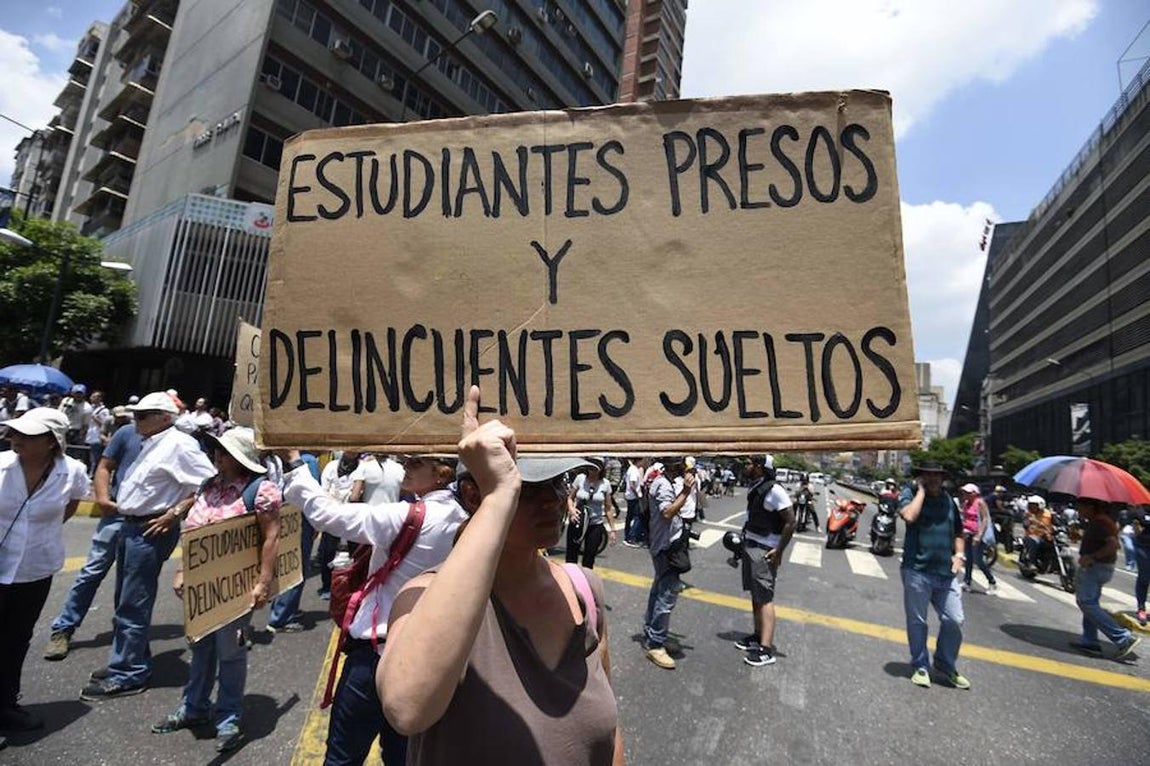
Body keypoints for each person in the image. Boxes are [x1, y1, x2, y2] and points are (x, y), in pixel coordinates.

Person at [378, 386, 622, 765]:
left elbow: (610, 733)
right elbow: (406, 708)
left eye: (559, 482)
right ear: (473, 496)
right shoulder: (424, 596)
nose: (553, 499)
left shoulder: (583, 589)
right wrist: (501, 494)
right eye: (531, 487)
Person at [279, 449, 466, 766]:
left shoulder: (406, 516)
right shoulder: (466, 519)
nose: (405, 466)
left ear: (441, 474)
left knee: (342, 758)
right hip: (425, 660)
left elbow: (328, 515)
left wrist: (296, 464)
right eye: (406, 461)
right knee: (403, 757)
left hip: (376, 655)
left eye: (416, 462)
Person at [150, 427, 281, 752]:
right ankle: (193, 707)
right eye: (217, 450)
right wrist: (183, 570)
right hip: (203, 588)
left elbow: (271, 537)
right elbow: (195, 534)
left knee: (230, 653)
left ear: (240, 458)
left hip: (236, 589)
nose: (217, 456)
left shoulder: (260, 491)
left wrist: (263, 583)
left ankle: (228, 717)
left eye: (224, 452)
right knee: (200, 648)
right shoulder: (208, 485)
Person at [80, 392, 216, 701]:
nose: (135, 420)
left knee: (133, 602)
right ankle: (128, 658)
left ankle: (129, 672)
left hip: (148, 529)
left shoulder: (180, 445)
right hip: (132, 526)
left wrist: (174, 512)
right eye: (135, 415)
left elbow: (209, 482)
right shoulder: (152, 442)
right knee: (125, 599)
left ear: (164, 418)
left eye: (142, 415)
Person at [0, 409, 89, 732]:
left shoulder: (73, 471)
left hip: (35, 569)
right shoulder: (1, 465)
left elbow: (72, 504)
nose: (15, 438)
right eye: (14, 432)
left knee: (16, 639)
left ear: (52, 442)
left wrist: (42, 533)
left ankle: (5, 704)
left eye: (26, 434)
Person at [44, 409, 144, 660]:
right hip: (116, 514)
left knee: (130, 583)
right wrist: (102, 497)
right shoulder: (127, 433)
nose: (141, 419)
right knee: (91, 572)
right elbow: (104, 466)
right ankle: (63, 628)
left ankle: (125, 641)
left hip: (145, 521)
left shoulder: (175, 441)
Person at [898, 462, 969, 689]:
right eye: (927, 475)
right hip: (917, 570)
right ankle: (920, 664)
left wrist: (959, 555)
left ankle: (945, 664)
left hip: (946, 573)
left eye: (936, 475)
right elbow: (909, 516)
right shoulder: (909, 494)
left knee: (954, 619)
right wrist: (920, 491)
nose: (933, 479)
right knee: (918, 621)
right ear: (921, 477)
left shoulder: (948, 501)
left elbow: (958, 532)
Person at [734, 455, 795, 667]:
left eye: (749, 463)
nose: (746, 466)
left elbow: (791, 521)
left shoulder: (774, 490)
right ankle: (757, 635)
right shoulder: (757, 486)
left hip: (764, 549)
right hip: (752, 544)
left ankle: (766, 649)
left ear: (759, 467)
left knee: (765, 597)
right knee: (756, 595)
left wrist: (779, 550)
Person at [1070, 498, 1142, 659]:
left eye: (1081, 506)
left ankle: (1123, 638)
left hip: (1095, 567)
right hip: (1099, 567)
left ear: (1091, 506)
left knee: (1086, 602)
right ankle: (1090, 641)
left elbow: (1113, 545)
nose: (1078, 509)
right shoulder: (1098, 522)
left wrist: (1092, 557)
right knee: (1090, 603)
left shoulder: (1101, 522)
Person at [642, 459, 694, 670]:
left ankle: (652, 634)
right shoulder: (663, 484)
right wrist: (686, 492)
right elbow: (667, 513)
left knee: (658, 591)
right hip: (666, 547)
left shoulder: (665, 481)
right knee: (666, 596)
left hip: (664, 544)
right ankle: (655, 643)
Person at [265, 450, 320, 633]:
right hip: (300, 521)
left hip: (284, 518)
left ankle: (283, 609)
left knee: (285, 565)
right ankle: (282, 617)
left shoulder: (278, 460)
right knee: (297, 568)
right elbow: (312, 498)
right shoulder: (309, 462)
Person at [315, 451, 359, 600]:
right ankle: (327, 586)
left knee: (355, 552)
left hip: (352, 516)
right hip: (332, 515)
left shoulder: (361, 468)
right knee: (327, 552)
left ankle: (353, 585)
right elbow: (324, 490)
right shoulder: (331, 467)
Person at [566, 459, 617, 568]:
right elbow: (570, 498)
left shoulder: (605, 484)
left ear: (601, 468)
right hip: (578, 521)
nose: (593, 468)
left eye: (597, 465)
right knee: (571, 557)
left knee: (589, 558)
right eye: (591, 465)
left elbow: (608, 508)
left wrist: (612, 529)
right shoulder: (580, 478)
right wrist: (571, 509)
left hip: (595, 525)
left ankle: (585, 578)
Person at [959, 483, 997, 594]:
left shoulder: (980, 503)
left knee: (978, 560)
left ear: (975, 493)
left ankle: (992, 582)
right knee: (968, 559)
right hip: (968, 533)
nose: (965, 494)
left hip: (977, 535)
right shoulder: (966, 503)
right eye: (964, 492)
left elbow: (985, 519)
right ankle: (967, 582)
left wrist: (979, 535)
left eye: (968, 493)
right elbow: (965, 517)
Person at [1020, 495, 1053, 570]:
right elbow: (1025, 524)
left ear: (1041, 505)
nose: (1032, 507)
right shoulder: (1028, 514)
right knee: (1033, 541)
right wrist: (1029, 522)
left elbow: (1056, 522)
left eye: (1034, 505)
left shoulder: (1048, 513)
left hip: (1046, 536)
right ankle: (1031, 563)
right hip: (1032, 536)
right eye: (1030, 505)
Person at [84, 391, 110, 476]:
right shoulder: (89, 408)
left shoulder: (104, 410)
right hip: (88, 436)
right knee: (86, 458)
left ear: (100, 398)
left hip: (96, 438)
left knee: (94, 459)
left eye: (94, 397)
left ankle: (92, 475)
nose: (92, 398)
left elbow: (105, 424)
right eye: (92, 396)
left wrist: (95, 418)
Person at [622, 456, 646, 547]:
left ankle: (628, 535)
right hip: (633, 497)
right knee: (637, 517)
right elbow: (632, 484)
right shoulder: (634, 470)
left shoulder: (632, 469)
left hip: (630, 496)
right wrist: (637, 494)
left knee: (630, 517)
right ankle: (631, 537)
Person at [1134, 505, 1150, 626]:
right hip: (1144, 547)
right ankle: (1141, 608)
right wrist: (1137, 525)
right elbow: (1137, 529)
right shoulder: (1141, 511)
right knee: (1144, 578)